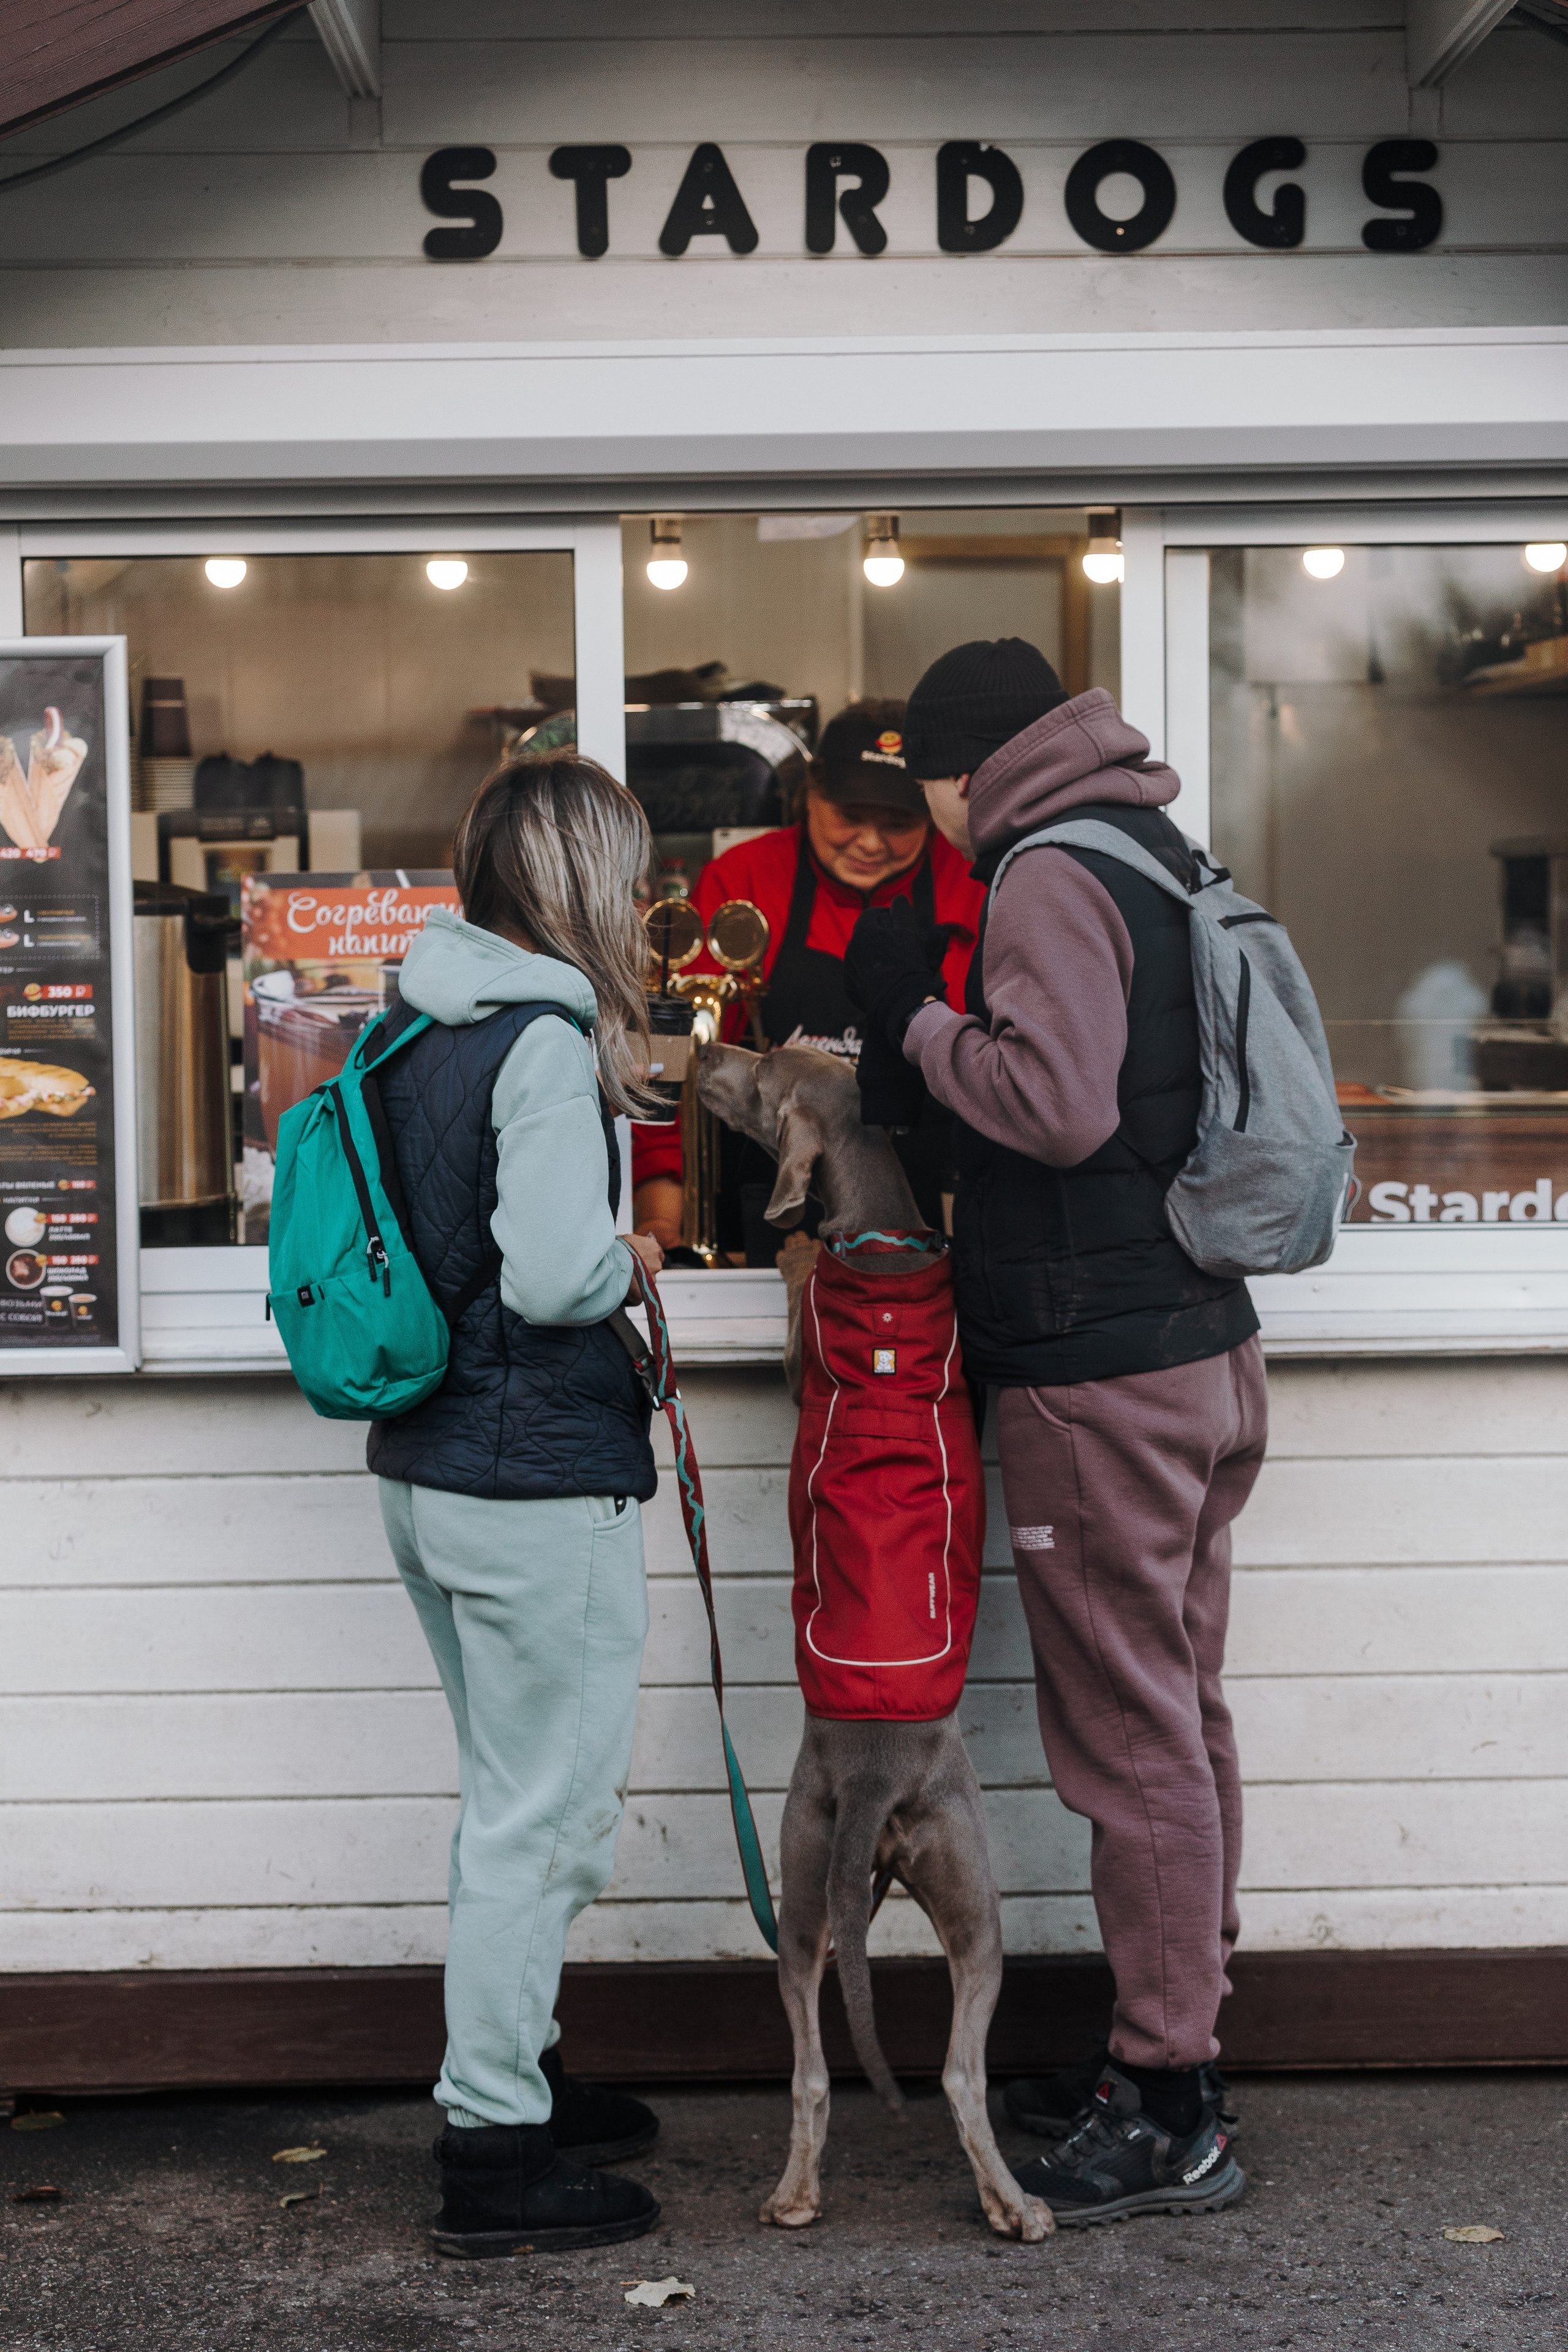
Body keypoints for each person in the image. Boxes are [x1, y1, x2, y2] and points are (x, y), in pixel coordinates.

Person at [845, 639, 1265, 2228]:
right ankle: (1179, 2060)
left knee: (1132, 1746)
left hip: (1106, 1373)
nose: (930, 820)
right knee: (1186, 1722)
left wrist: (912, 1017)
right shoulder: (1152, 838)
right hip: (1200, 1348)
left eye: (927, 789)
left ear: (963, 770)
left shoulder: (1043, 873)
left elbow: (1059, 1102)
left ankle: (1166, 2107)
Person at [365, 750, 666, 2257]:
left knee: (507, 1801)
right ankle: (493, 2145)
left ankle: (521, 2072)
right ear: (578, 879)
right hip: (533, 1473)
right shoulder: (539, 1032)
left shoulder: (414, 1009)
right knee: (542, 1824)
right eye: (630, 871)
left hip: (429, 1467)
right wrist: (630, 1258)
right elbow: (553, 1274)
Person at [631, 698, 985, 1256]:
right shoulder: (743, 878)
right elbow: (668, 1055)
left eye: (898, 823)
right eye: (849, 815)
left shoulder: (972, 884)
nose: (870, 843)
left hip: (944, 1211)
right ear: (810, 796)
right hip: (771, 1215)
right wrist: (662, 1208)